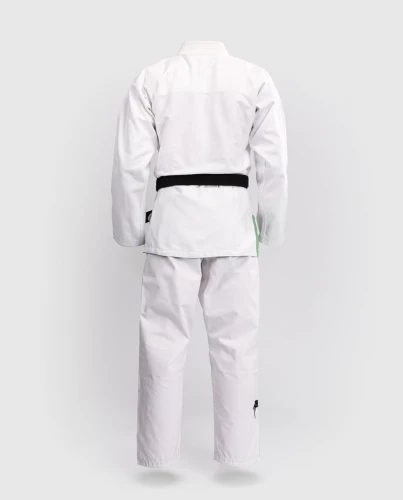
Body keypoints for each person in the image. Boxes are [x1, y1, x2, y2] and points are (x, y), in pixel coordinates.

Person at [111, 41, 288, 467]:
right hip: (232, 226)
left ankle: (157, 456)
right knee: (236, 343)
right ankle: (238, 453)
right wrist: (271, 226)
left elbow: (131, 164)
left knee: (162, 343)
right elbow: (274, 162)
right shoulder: (253, 78)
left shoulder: (152, 78)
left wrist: (130, 230)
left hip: (172, 225)